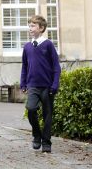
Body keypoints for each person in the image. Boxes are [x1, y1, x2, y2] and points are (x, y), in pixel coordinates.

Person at [20, 15, 61, 154]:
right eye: (29, 26)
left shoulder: (48, 44)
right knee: (31, 109)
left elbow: (56, 66)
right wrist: (23, 83)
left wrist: (55, 85)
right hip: (32, 85)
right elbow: (24, 66)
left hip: (48, 87)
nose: (30, 28)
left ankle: (46, 142)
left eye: (33, 26)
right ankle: (37, 135)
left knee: (47, 115)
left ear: (41, 28)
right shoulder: (27, 47)